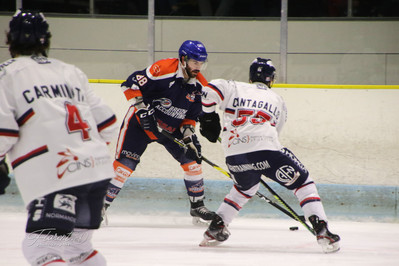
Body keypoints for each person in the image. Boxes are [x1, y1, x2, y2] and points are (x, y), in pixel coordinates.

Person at [0, 10, 118, 265]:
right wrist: (85, 156)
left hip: (57, 175)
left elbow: (4, 133)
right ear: (47, 39)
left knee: (38, 247)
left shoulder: (6, 74)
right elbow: (108, 124)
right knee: (78, 248)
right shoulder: (71, 71)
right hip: (97, 172)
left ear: (10, 40)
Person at [198, 57, 341, 253]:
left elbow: (210, 88)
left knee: (244, 188)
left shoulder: (234, 87)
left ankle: (217, 226)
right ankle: (322, 228)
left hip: (234, 156)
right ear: (271, 79)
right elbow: (276, 133)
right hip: (266, 149)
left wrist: (207, 116)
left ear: (250, 77)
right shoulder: (278, 101)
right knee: (303, 183)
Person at [103, 40, 216, 223]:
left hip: (172, 129)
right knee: (125, 166)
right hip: (140, 125)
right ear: (183, 59)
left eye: (201, 63)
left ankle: (197, 207)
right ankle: (100, 206)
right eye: (195, 62)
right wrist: (141, 108)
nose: (199, 67)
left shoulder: (201, 87)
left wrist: (188, 137)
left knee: (193, 162)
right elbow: (130, 83)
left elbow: (190, 117)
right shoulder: (163, 69)